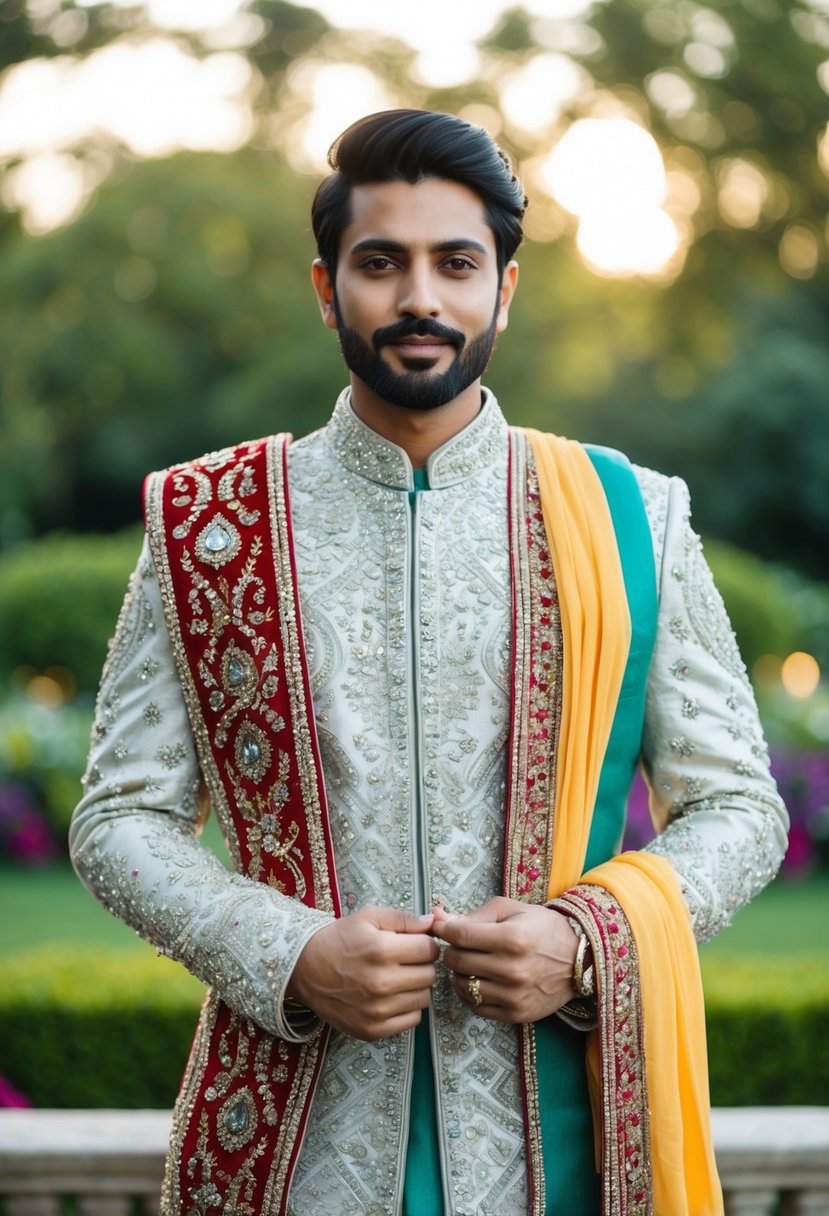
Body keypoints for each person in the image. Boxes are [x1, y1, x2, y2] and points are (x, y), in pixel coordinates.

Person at [70, 109, 788, 1216]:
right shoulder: (213, 522)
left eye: (455, 263)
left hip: (556, 1145)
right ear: (326, 289)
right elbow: (118, 815)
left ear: (505, 287)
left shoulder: (632, 519)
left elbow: (740, 803)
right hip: (290, 1150)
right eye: (379, 263)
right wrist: (290, 952)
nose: (420, 298)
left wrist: (581, 939)